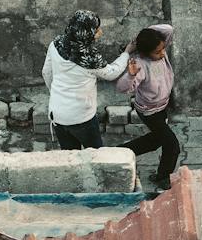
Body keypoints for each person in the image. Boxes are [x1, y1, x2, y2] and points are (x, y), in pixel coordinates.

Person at [41, 10, 128, 150]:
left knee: (71, 157)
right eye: (96, 29)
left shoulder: (56, 44)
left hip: (57, 114)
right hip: (81, 117)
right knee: (95, 155)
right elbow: (112, 73)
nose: (100, 32)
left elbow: (46, 72)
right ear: (86, 33)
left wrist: (57, 95)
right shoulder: (89, 57)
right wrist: (126, 53)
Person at [118, 23, 179, 190]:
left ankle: (119, 152)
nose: (163, 53)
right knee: (172, 144)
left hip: (163, 106)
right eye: (158, 52)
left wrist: (141, 38)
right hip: (149, 111)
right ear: (145, 52)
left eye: (163, 49)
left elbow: (168, 29)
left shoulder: (159, 48)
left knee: (156, 141)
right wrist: (130, 75)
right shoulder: (140, 64)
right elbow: (122, 88)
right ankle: (163, 177)